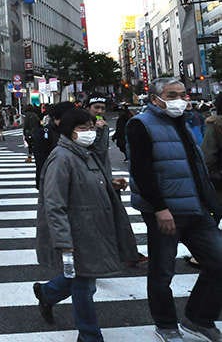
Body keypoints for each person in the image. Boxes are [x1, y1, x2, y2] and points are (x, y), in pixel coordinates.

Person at [126, 77, 222, 342]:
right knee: (162, 270)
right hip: (166, 211)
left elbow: (196, 165)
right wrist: (159, 208)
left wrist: (209, 201)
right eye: (172, 94)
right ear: (155, 97)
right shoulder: (140, 124)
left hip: (195, 207)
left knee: (219, 261)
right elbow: (141, 171)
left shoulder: (186, 120)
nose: (180, 99)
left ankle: (199, 317)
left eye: (182, 94)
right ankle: (166, 324)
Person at [33, 108, 139, 342]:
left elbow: (84, 182)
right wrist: (63, 242)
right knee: (84, 285)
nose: (89, 132)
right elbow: (54, 203)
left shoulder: (83, 153)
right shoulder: (61, 158)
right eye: (83, 129)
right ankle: (90, 335)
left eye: (91, 127)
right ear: (69, 132)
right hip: (76, 233)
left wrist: (109, 184)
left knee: (82, 279)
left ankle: (47, 293)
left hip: (92, 229)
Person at [31, 101, 75, 190]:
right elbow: (41, 161)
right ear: (56, 118)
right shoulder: (44, 134)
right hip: (52, 181)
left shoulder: (71, 131)